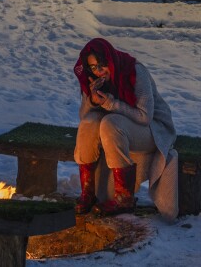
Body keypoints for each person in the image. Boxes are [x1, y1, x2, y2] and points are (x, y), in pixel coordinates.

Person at [73, 38, 176, 216]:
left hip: (154, 129)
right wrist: (92, 100)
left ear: (110, 60)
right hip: (121, 126)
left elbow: (145, 117)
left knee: (110, 123)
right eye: (93, 67)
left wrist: (112, 105)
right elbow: (84, 116)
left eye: (102, 65)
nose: (99, 71)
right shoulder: (93, 80)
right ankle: (88, 193)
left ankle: (124, 199)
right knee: (88, 123)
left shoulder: (134, 71)